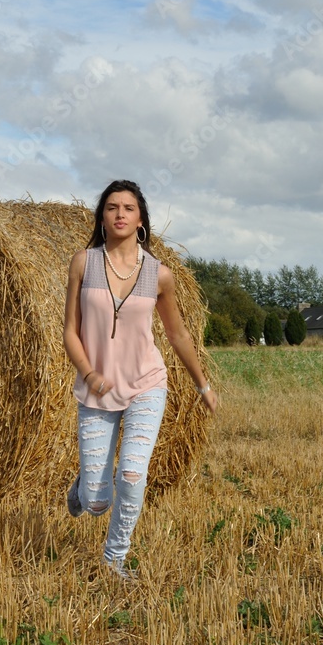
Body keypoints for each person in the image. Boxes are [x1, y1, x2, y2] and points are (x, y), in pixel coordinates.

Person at [62, 179, 218, 581]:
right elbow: (69, 332)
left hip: (147, 383)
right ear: (102, 216)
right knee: (97, 502)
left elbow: (178, 334)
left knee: (131, 476)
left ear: (140, 219)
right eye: (111, 207)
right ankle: (86, 487)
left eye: (128, 208)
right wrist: (90, 372)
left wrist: (202, 384)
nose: (119, 214)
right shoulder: (84, 263)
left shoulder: (159, 275)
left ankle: (115, 561)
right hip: (98, 387)